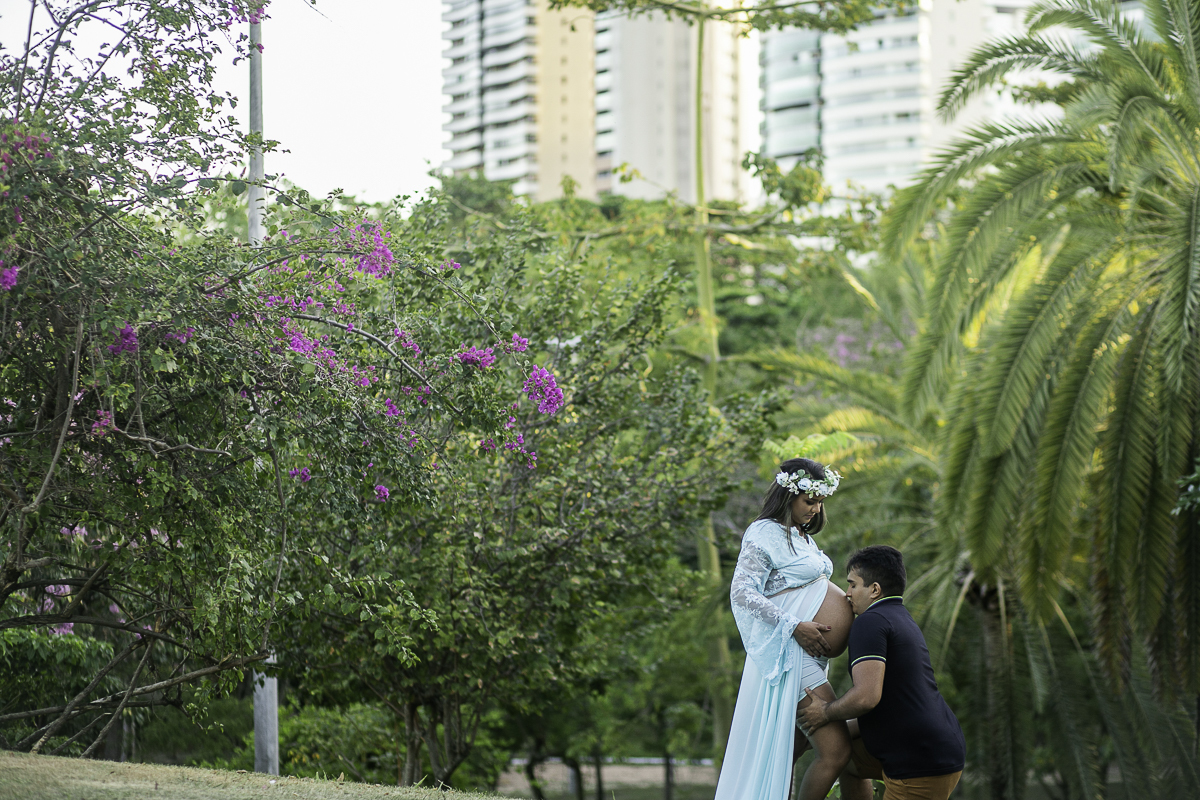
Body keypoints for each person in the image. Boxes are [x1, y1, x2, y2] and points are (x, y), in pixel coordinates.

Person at [714, 458, 860, 800]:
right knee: (837, 752)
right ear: (787, 494)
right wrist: (793, 626)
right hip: (792, 658)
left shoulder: (801, 536)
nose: (815, 508)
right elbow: (742, 591)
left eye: (820, 501)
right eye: (809, 500)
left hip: (811, 659)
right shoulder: (764, 531)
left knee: (786, 756)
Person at [798, 545, 966, 800]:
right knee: (845, 757)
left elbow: (866, 697)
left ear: (875, 589)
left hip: (919, 766)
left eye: (853, 585)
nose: (847, 593)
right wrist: (829, 728)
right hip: (934, 749)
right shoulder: (899, 617)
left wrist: (825, 712)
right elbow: (888, 705)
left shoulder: (870, 621)